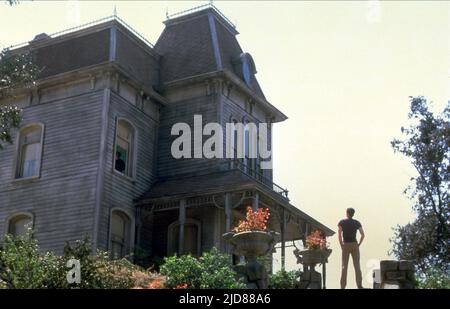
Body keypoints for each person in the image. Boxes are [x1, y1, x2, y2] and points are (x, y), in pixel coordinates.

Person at [338, 207, 365, 289]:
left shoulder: (342, 222)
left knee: (344, 266)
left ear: (347, 213)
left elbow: (339, 234)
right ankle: (359, 285)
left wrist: (341, 244)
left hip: (346, 244)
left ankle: (342, 287)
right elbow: (363, 234)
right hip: (354, 244)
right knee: (357, 265)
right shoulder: (357, 222)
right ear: (353, 214)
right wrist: (359, 244)